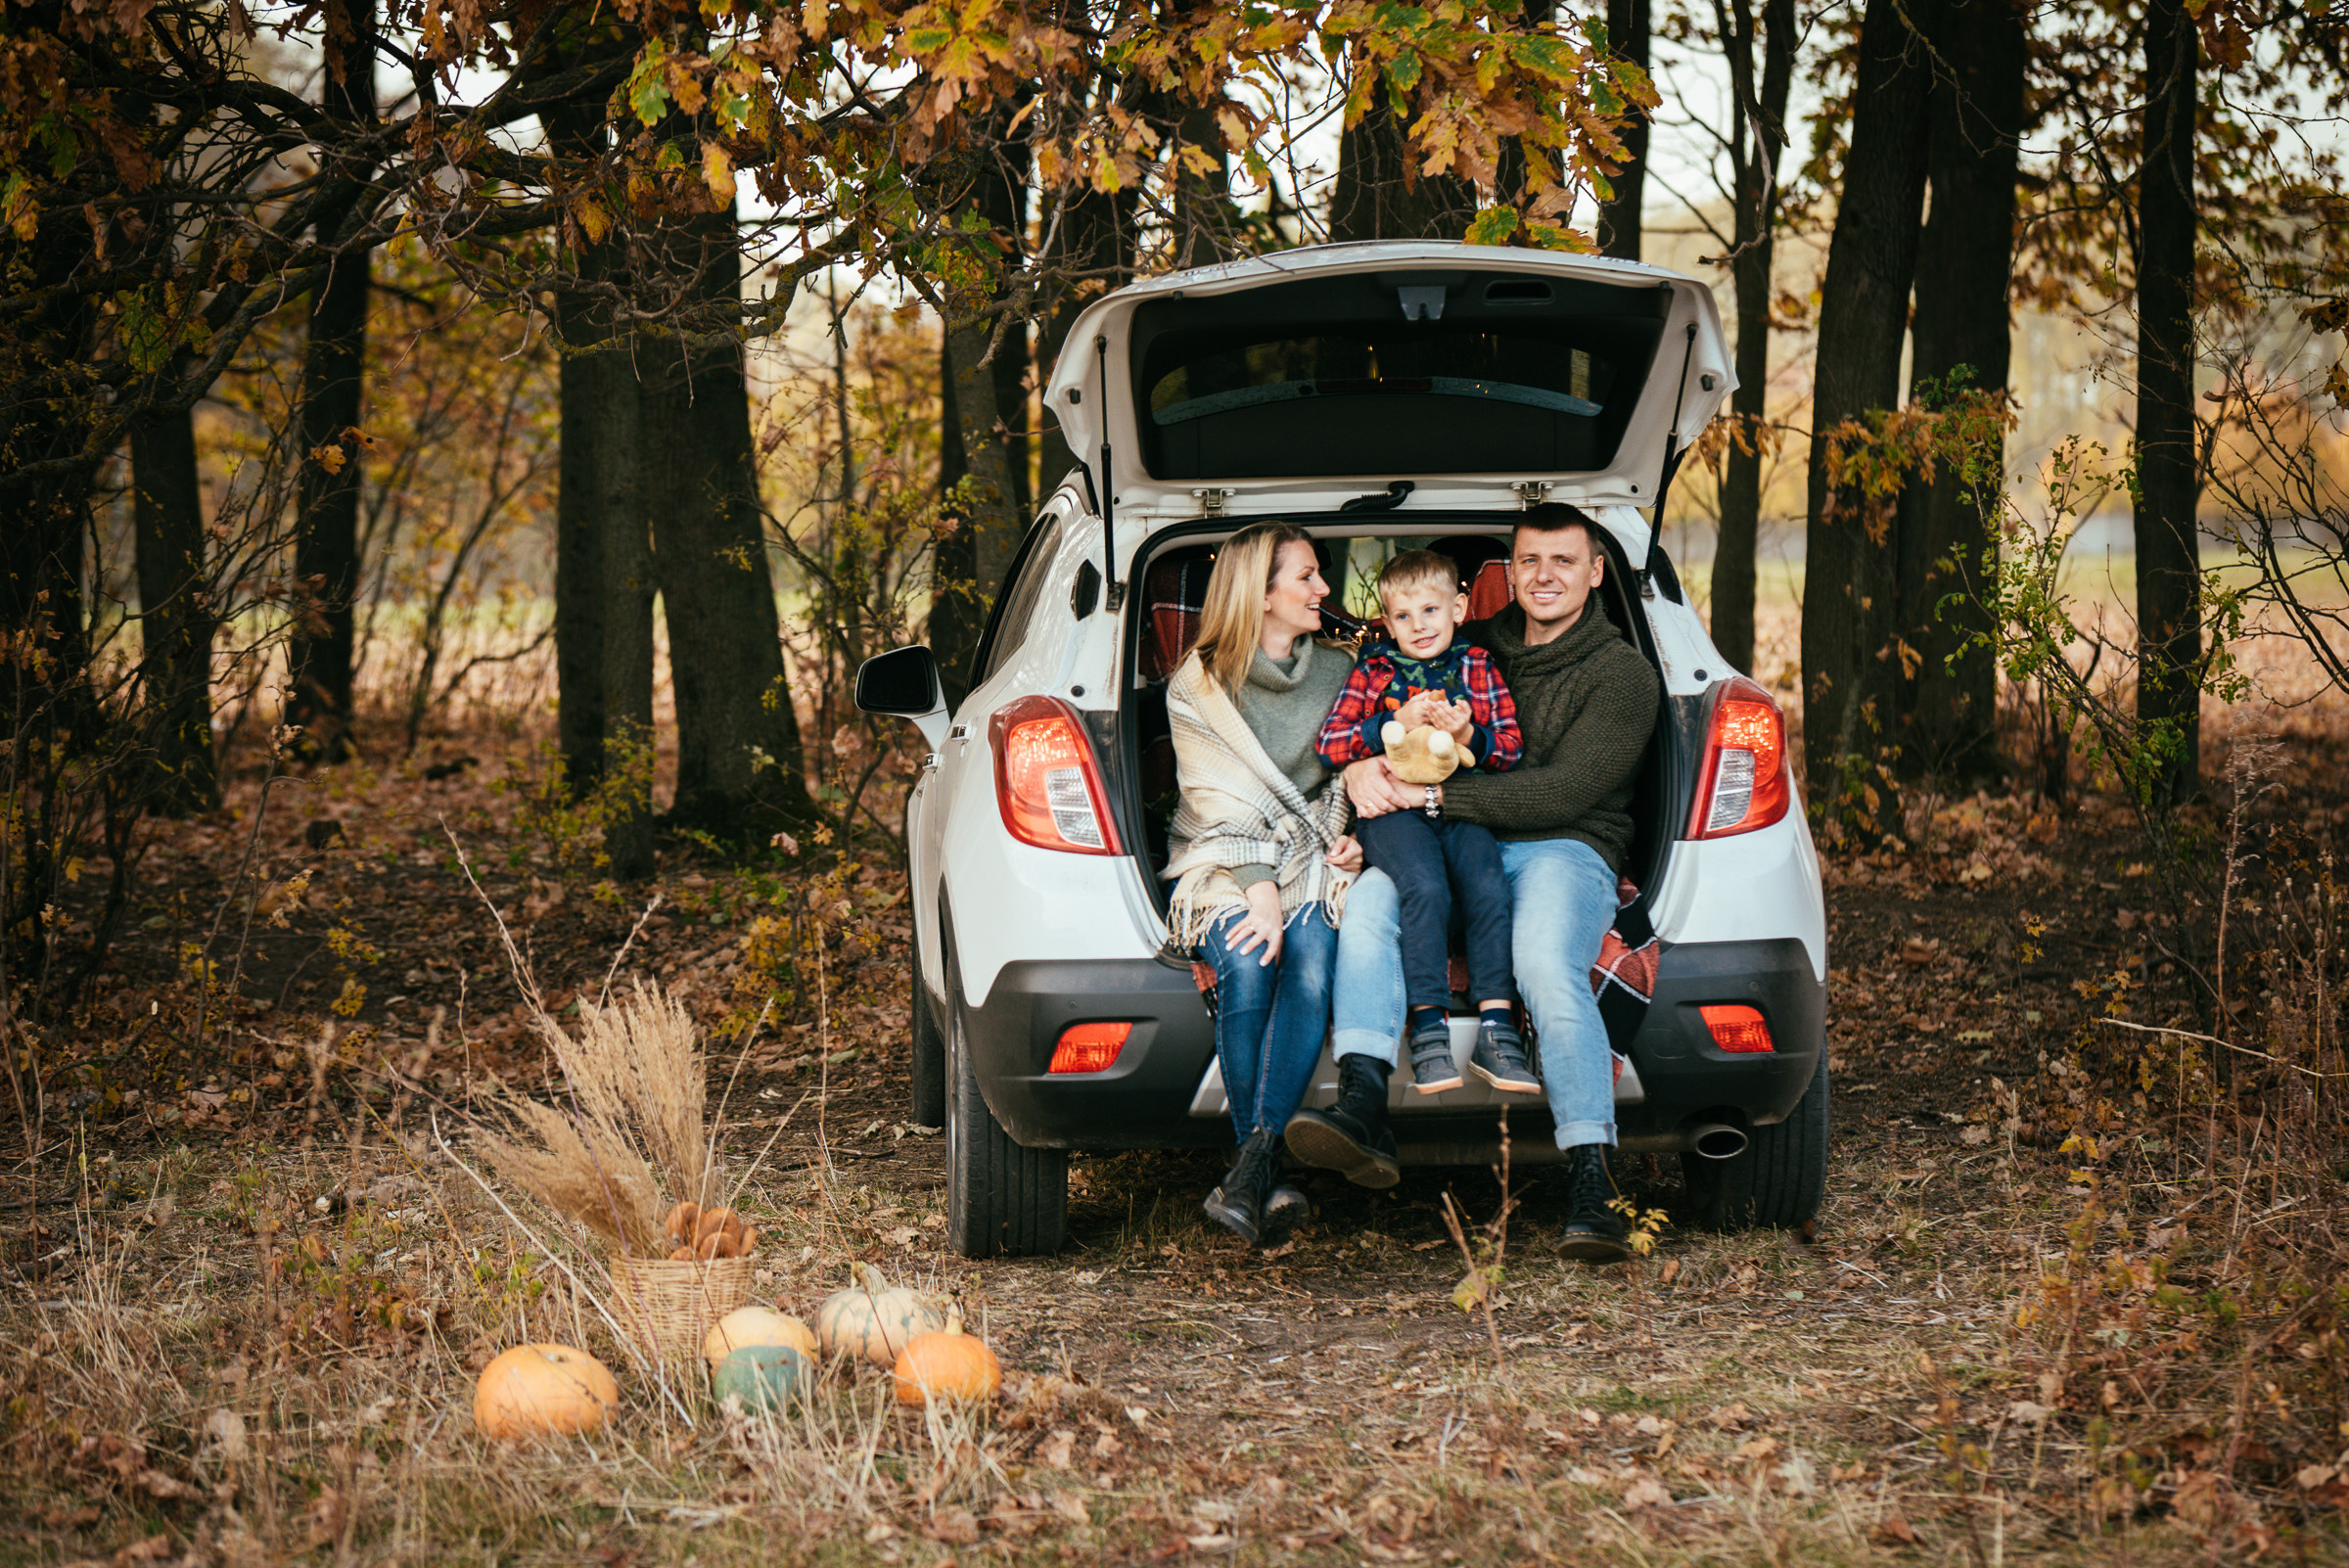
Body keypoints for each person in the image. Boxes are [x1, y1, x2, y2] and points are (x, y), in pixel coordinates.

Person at [1288, 504, 1659, 1261]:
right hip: (1455, 839)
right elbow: (1383, 714)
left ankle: (1592, 1178)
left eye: (1564, 561)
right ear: (1506, 576)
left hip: (1560, 845)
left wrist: (1423, 795)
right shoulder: (1472, 646)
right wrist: (1362, 769)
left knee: (1546, 963)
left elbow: (1559, 793)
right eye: (1529, 561)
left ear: (1596, 572)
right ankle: (1363, 1099)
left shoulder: (1624, 675)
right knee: (1367, 909)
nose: (1545, 576)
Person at [1162, 521, 1362, 1247]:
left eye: (1318, 575)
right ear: (1262, 591)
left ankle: (1250, 1171)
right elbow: (1216, 799)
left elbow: (1355, 770)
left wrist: (1351, 836)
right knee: (1249, 961)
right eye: (1306, 577)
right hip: (1221, 858)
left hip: (1311, 850)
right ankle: (1265, 1168)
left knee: (1309, 965)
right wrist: (1259, 889)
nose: (1323, 590)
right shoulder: (1200, 684)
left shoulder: (1342, 672)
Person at [1308, 550, 1524, 1106]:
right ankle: (1428, 1025)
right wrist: (1390, 723)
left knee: (1487, 885)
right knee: (1423, 888)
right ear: (1386, 620)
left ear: (1458, 607)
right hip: (1391, 816)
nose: (1419, 626)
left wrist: (1469, 734)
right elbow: (1330, 745)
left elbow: (1509, 752)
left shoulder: (1477, 665)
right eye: (1402, 616)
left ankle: (1499, 1026)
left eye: (1431, 610)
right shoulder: (1374, 670)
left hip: (1458, 807)